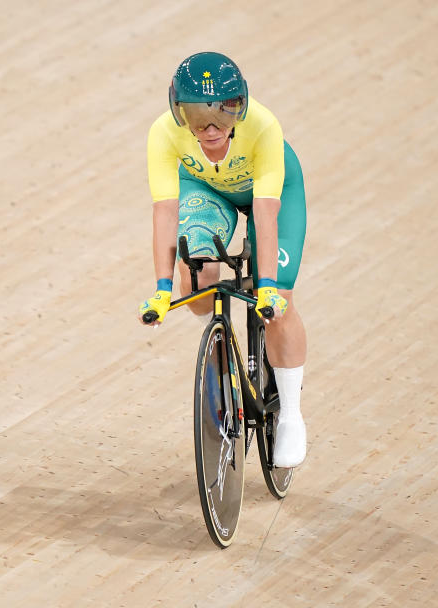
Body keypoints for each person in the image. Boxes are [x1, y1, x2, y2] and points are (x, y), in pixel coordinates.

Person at [138, 52, 308, 468]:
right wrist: (162, 289)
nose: (211, 127)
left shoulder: (264, 127)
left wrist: (267, 287)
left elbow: (265, 212)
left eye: (224, 110)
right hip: (206, 189)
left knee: (278, 304)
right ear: (177, 113)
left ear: (242, 106)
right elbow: (165, 212)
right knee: (195, 269)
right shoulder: (162, 133)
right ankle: (220, 344)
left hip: (273, 195)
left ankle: (290, 413)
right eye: (196, 114)